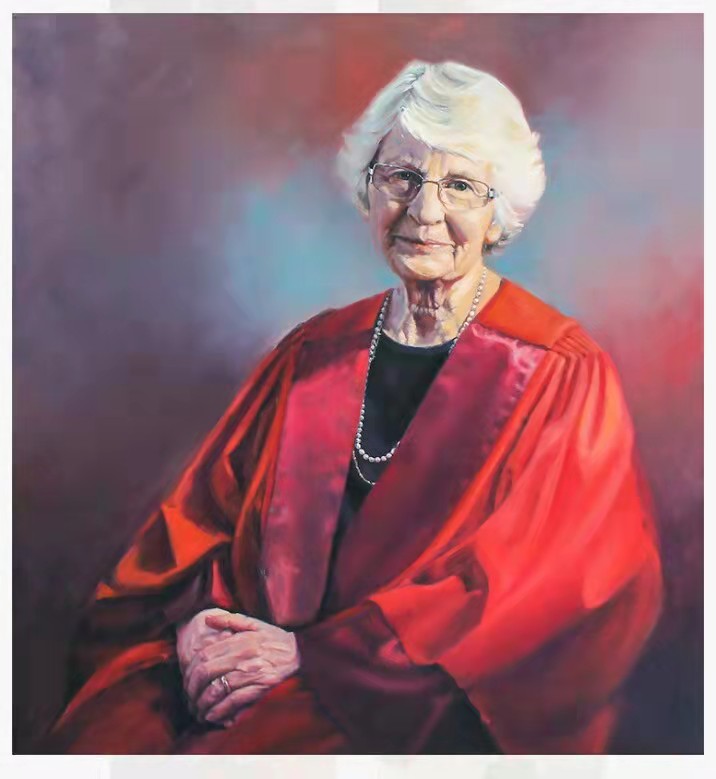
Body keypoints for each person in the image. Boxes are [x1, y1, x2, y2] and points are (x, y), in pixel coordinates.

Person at [44, 60, 663, 755]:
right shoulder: (312, 355)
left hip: (407, 714)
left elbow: (543, 596)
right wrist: (194, 630)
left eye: (460, 185)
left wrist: (312, 657)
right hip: (249, 674)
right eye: (401, 177)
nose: (424, 211)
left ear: (500, 212)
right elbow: (198, 529)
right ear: (369, 189)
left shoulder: (559, 373)